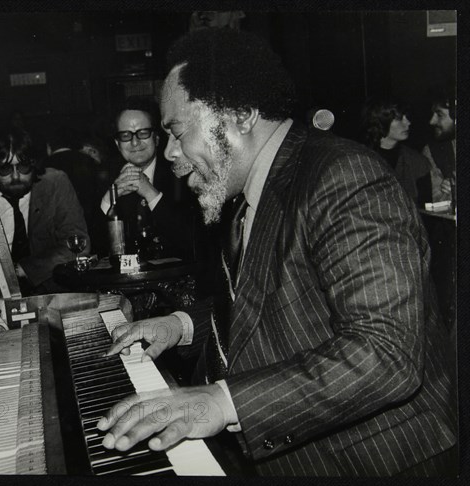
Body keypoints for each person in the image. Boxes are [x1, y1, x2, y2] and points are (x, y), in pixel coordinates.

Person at [97, 28, 456, 476]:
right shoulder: (244, 190)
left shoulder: (344, 176)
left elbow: (385, 353)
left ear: (241, 115)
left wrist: (222, 401)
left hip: (374, 461)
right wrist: (181, 325)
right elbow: (266, 308)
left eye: (177, 131)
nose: (169, 152)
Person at [0, 126, 89, 294]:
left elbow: (79, 244)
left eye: (24, 167)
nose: (16, 177)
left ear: (35, 164)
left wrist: (23, 270)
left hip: (48, 288)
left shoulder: (55, 183)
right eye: (5, 169)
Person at [98, 96, 193, 259]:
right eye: (126, 136)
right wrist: (109, 198)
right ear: (117, 143)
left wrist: (151, 193)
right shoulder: (105, 178)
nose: (135, 143)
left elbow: (191, 241)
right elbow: (96, 247)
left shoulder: (182, 173)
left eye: (143, 133)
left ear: (156, 138)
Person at [360, 97, 432, 205]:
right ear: (380, 121)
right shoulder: (359, 161)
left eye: (406, 117)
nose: (408, 123)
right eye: (399, 118)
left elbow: (426, 210)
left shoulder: (418, 162)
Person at [44, 124, 98, 235]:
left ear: (49, 147)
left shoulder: (42, 167)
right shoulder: (89, 162)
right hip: (89, 230)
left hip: (55, 236)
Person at [422, 91, 456, 203]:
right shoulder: (432, 150)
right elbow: (434, 198)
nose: (432, 121)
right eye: (433, 114)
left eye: (439, 115)